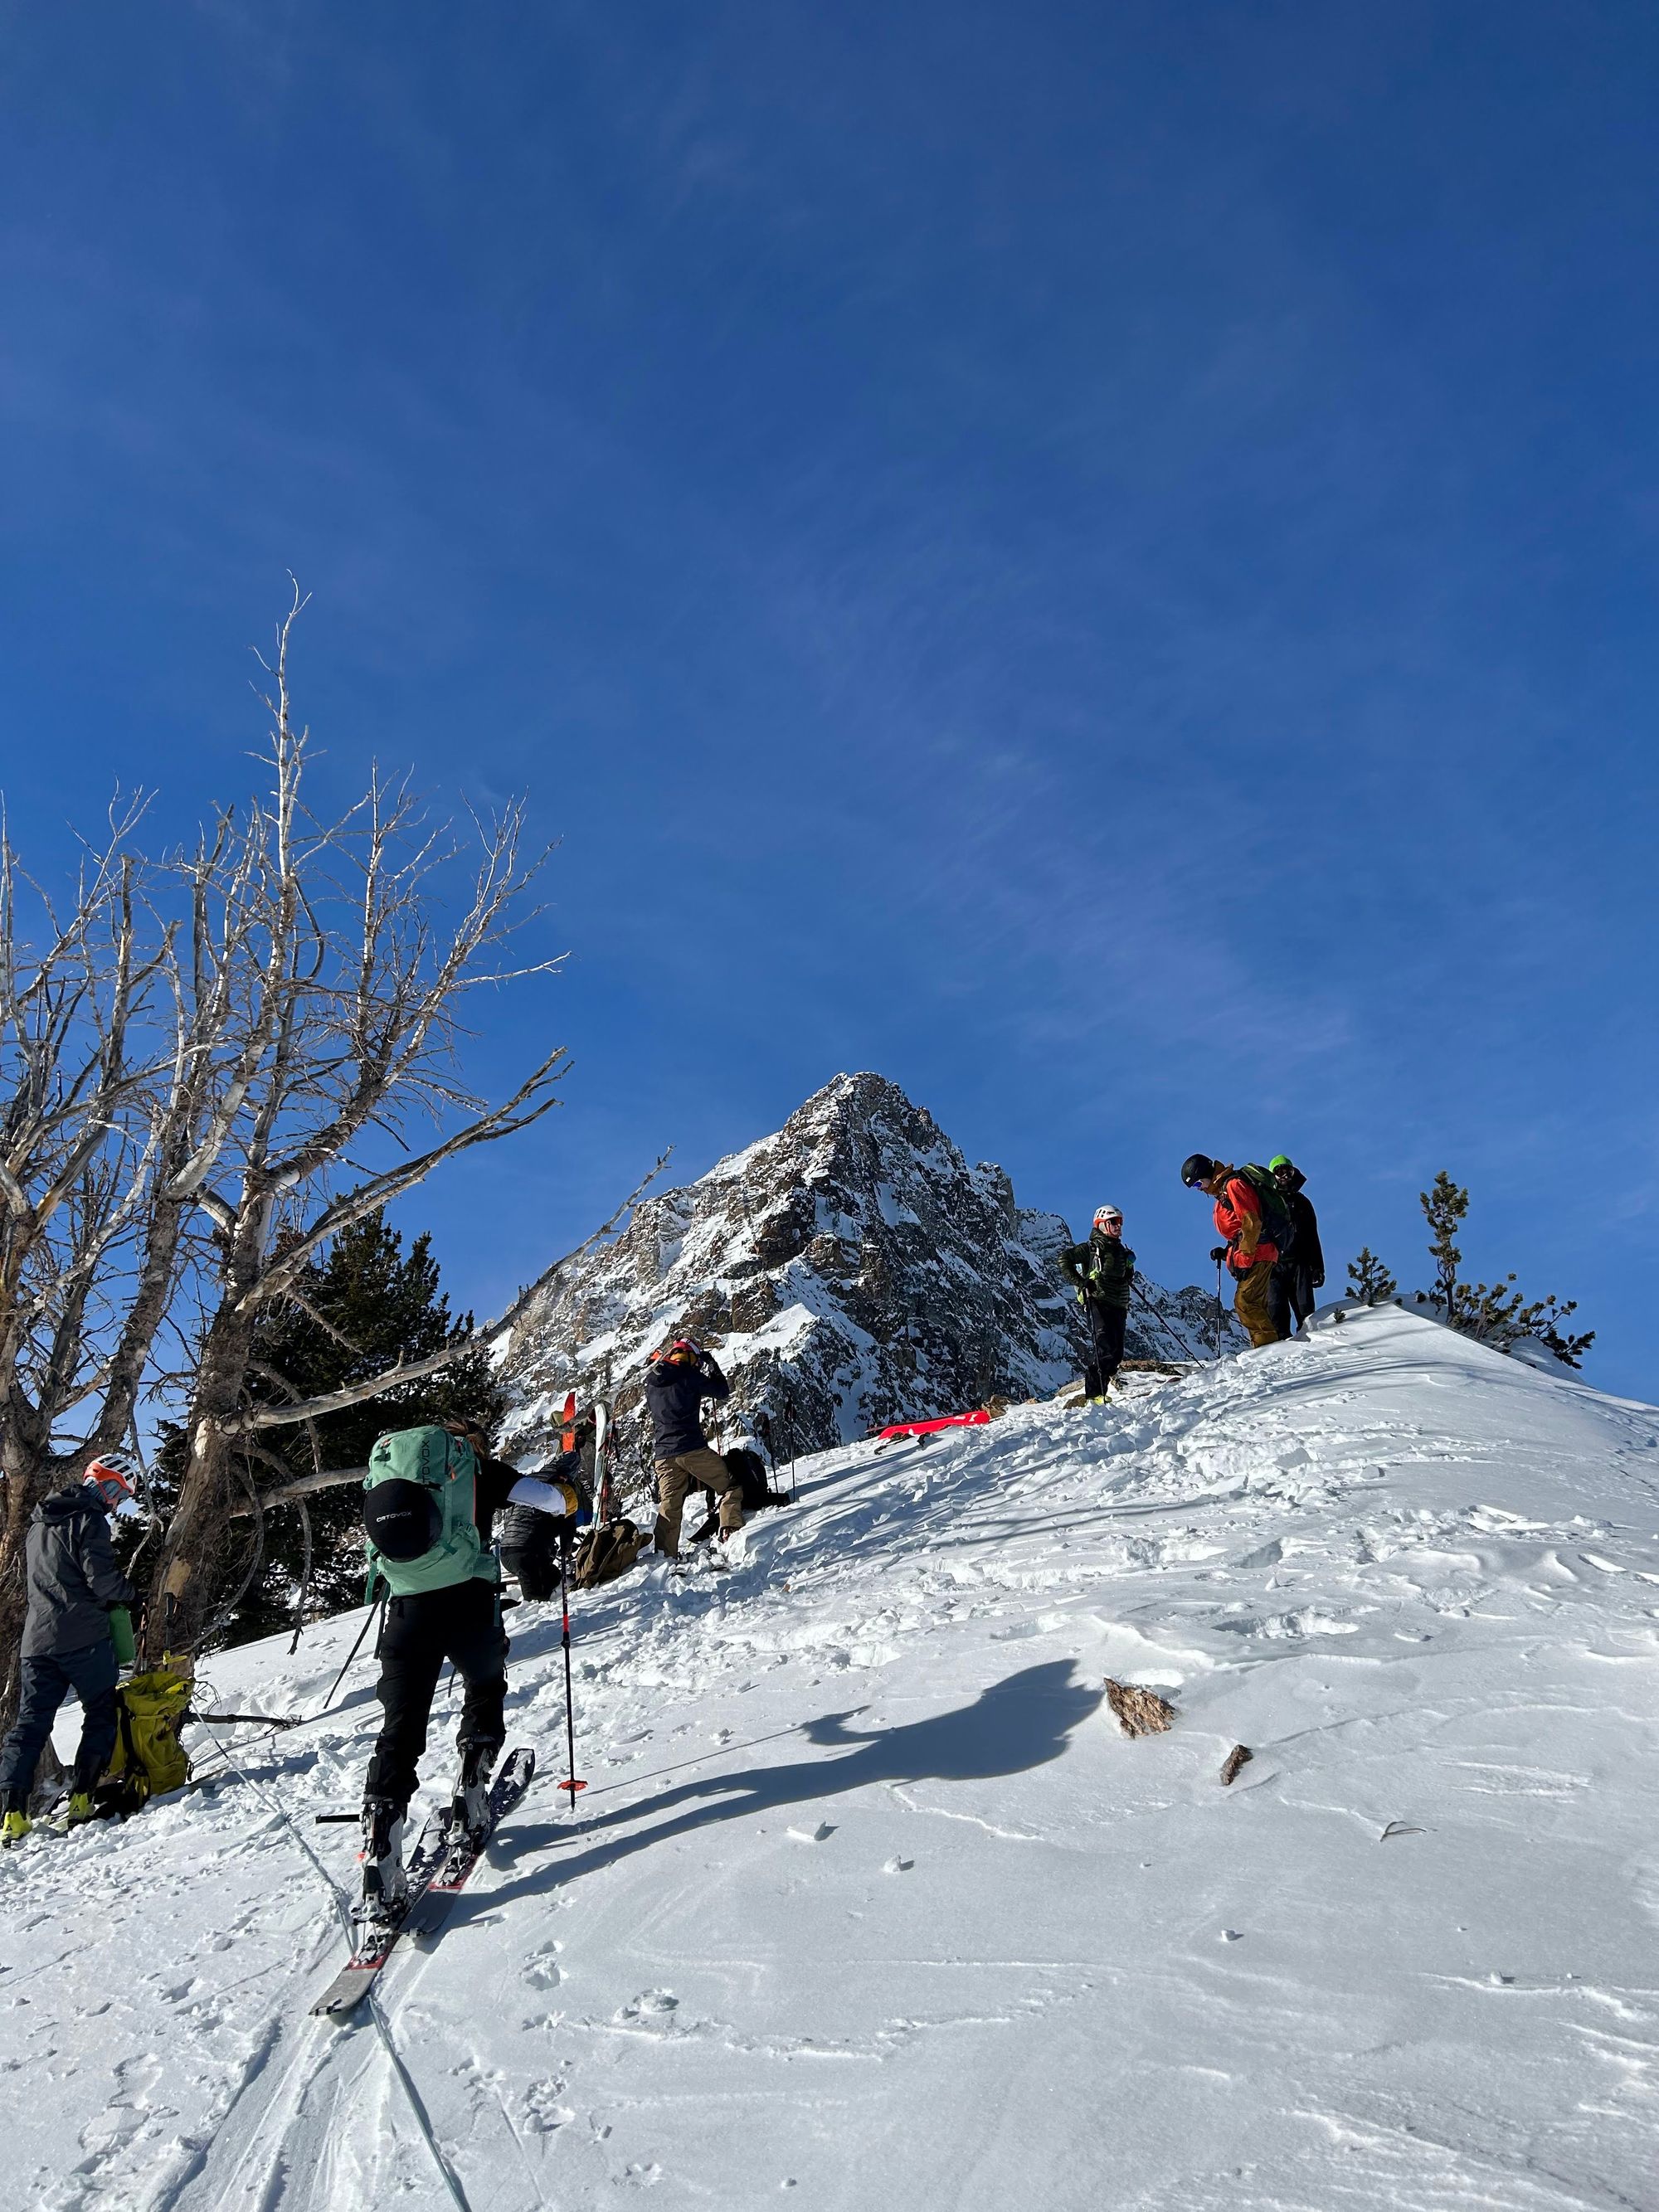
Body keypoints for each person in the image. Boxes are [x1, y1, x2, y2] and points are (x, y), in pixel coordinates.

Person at [357, 1418, 579, 1924]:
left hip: (406, 1614)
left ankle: (380, 1837)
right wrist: (569, 1495)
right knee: (484, 1686)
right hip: (469, 1607)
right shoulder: (481, 1470)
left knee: (400, 1730)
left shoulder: (393, 1474)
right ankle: (471, 1788)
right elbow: (548, 1501)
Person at [0, 1453, 139, 1845]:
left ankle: (12, 1814)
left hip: (36, 1643)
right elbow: (102, 1582)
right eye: (117, 1492)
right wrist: (131, 1592)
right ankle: (81, 1799)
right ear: (105, 1484)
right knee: (100, 1713)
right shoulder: (90, 1519)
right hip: (83, 1638)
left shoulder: (37, 1526)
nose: (116, 1502)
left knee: (28, 1727)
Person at [645, 1338, 744, 1560]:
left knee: (670, 1506)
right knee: (730, 1486)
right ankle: (730, 1528)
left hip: (663, 1455)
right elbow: (721, 1391)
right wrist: (712, 1366)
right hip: (692, 1449)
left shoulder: (651, 1382)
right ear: (691, 1358)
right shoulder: (689, 1375)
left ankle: (664, 1555)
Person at [1180, 1155, 1285, 1349]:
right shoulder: (1223, 1193)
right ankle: (1265, 1348)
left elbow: (1251, 1223)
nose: (1200, 1190)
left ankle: (1270, 1351)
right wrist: (1227, 1251)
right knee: (1255, 1303)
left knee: (1245, 1302)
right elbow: (1239, 1230)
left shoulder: (1234, 1185)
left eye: (1197, 1185)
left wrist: (1244, 1259)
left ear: (1205, 1176)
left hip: (1259, 1251)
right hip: (1255, 1251)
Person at [499, 1406, 594, 1600]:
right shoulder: (561, 1491)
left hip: (507, 1552)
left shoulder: (531, 1482)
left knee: (551, 1578)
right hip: (529, 1553)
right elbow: (567, 1523)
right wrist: (566, 1548)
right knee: (536, 1603)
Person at [1058, 1205, 1136, 1401]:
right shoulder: (1091, 1248)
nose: (1118, 1227)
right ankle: (1094, 1395)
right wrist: (1082, 1282)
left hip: (1119, 1304)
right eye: (1113, 1222)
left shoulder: (1120, 1251)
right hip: (1098, 1301)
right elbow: (1064, 1259)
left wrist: (1128, 1269)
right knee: (1105, 1347)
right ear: (1101, 1225)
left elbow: (1125, 1277)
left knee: (1116, 1353)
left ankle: (1100, 1393)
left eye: (1120, 1222)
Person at [1268, 1155, 1325, 1336]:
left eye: (1287, 1171)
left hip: (1300, 1264)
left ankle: (1311, 1351)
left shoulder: (1302, 1203)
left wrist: (1317, 1267)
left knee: (1306, 1313)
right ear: (1272, 1175)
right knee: (1276, 1313)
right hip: (1274, 1265)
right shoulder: (1266, 1201)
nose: (1284, 1176)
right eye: (1279, 1171)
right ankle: (1280, 1355)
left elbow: (1312, 1236)